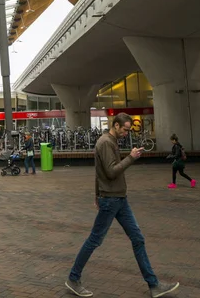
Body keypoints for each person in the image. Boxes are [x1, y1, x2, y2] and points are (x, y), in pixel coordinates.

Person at [65, 113, 179, 298]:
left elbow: (98, 171)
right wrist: (131, 157)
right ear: (116, 125)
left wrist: (96, 194)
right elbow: (110, 172)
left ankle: (154, 285)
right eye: (125, 129)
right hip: (111, 200)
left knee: (137, 238)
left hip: (118, 199)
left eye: (128, 130)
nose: (127, 133)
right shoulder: (106, 143)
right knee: (95, 240)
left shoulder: (110, 141)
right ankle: (73, 278)